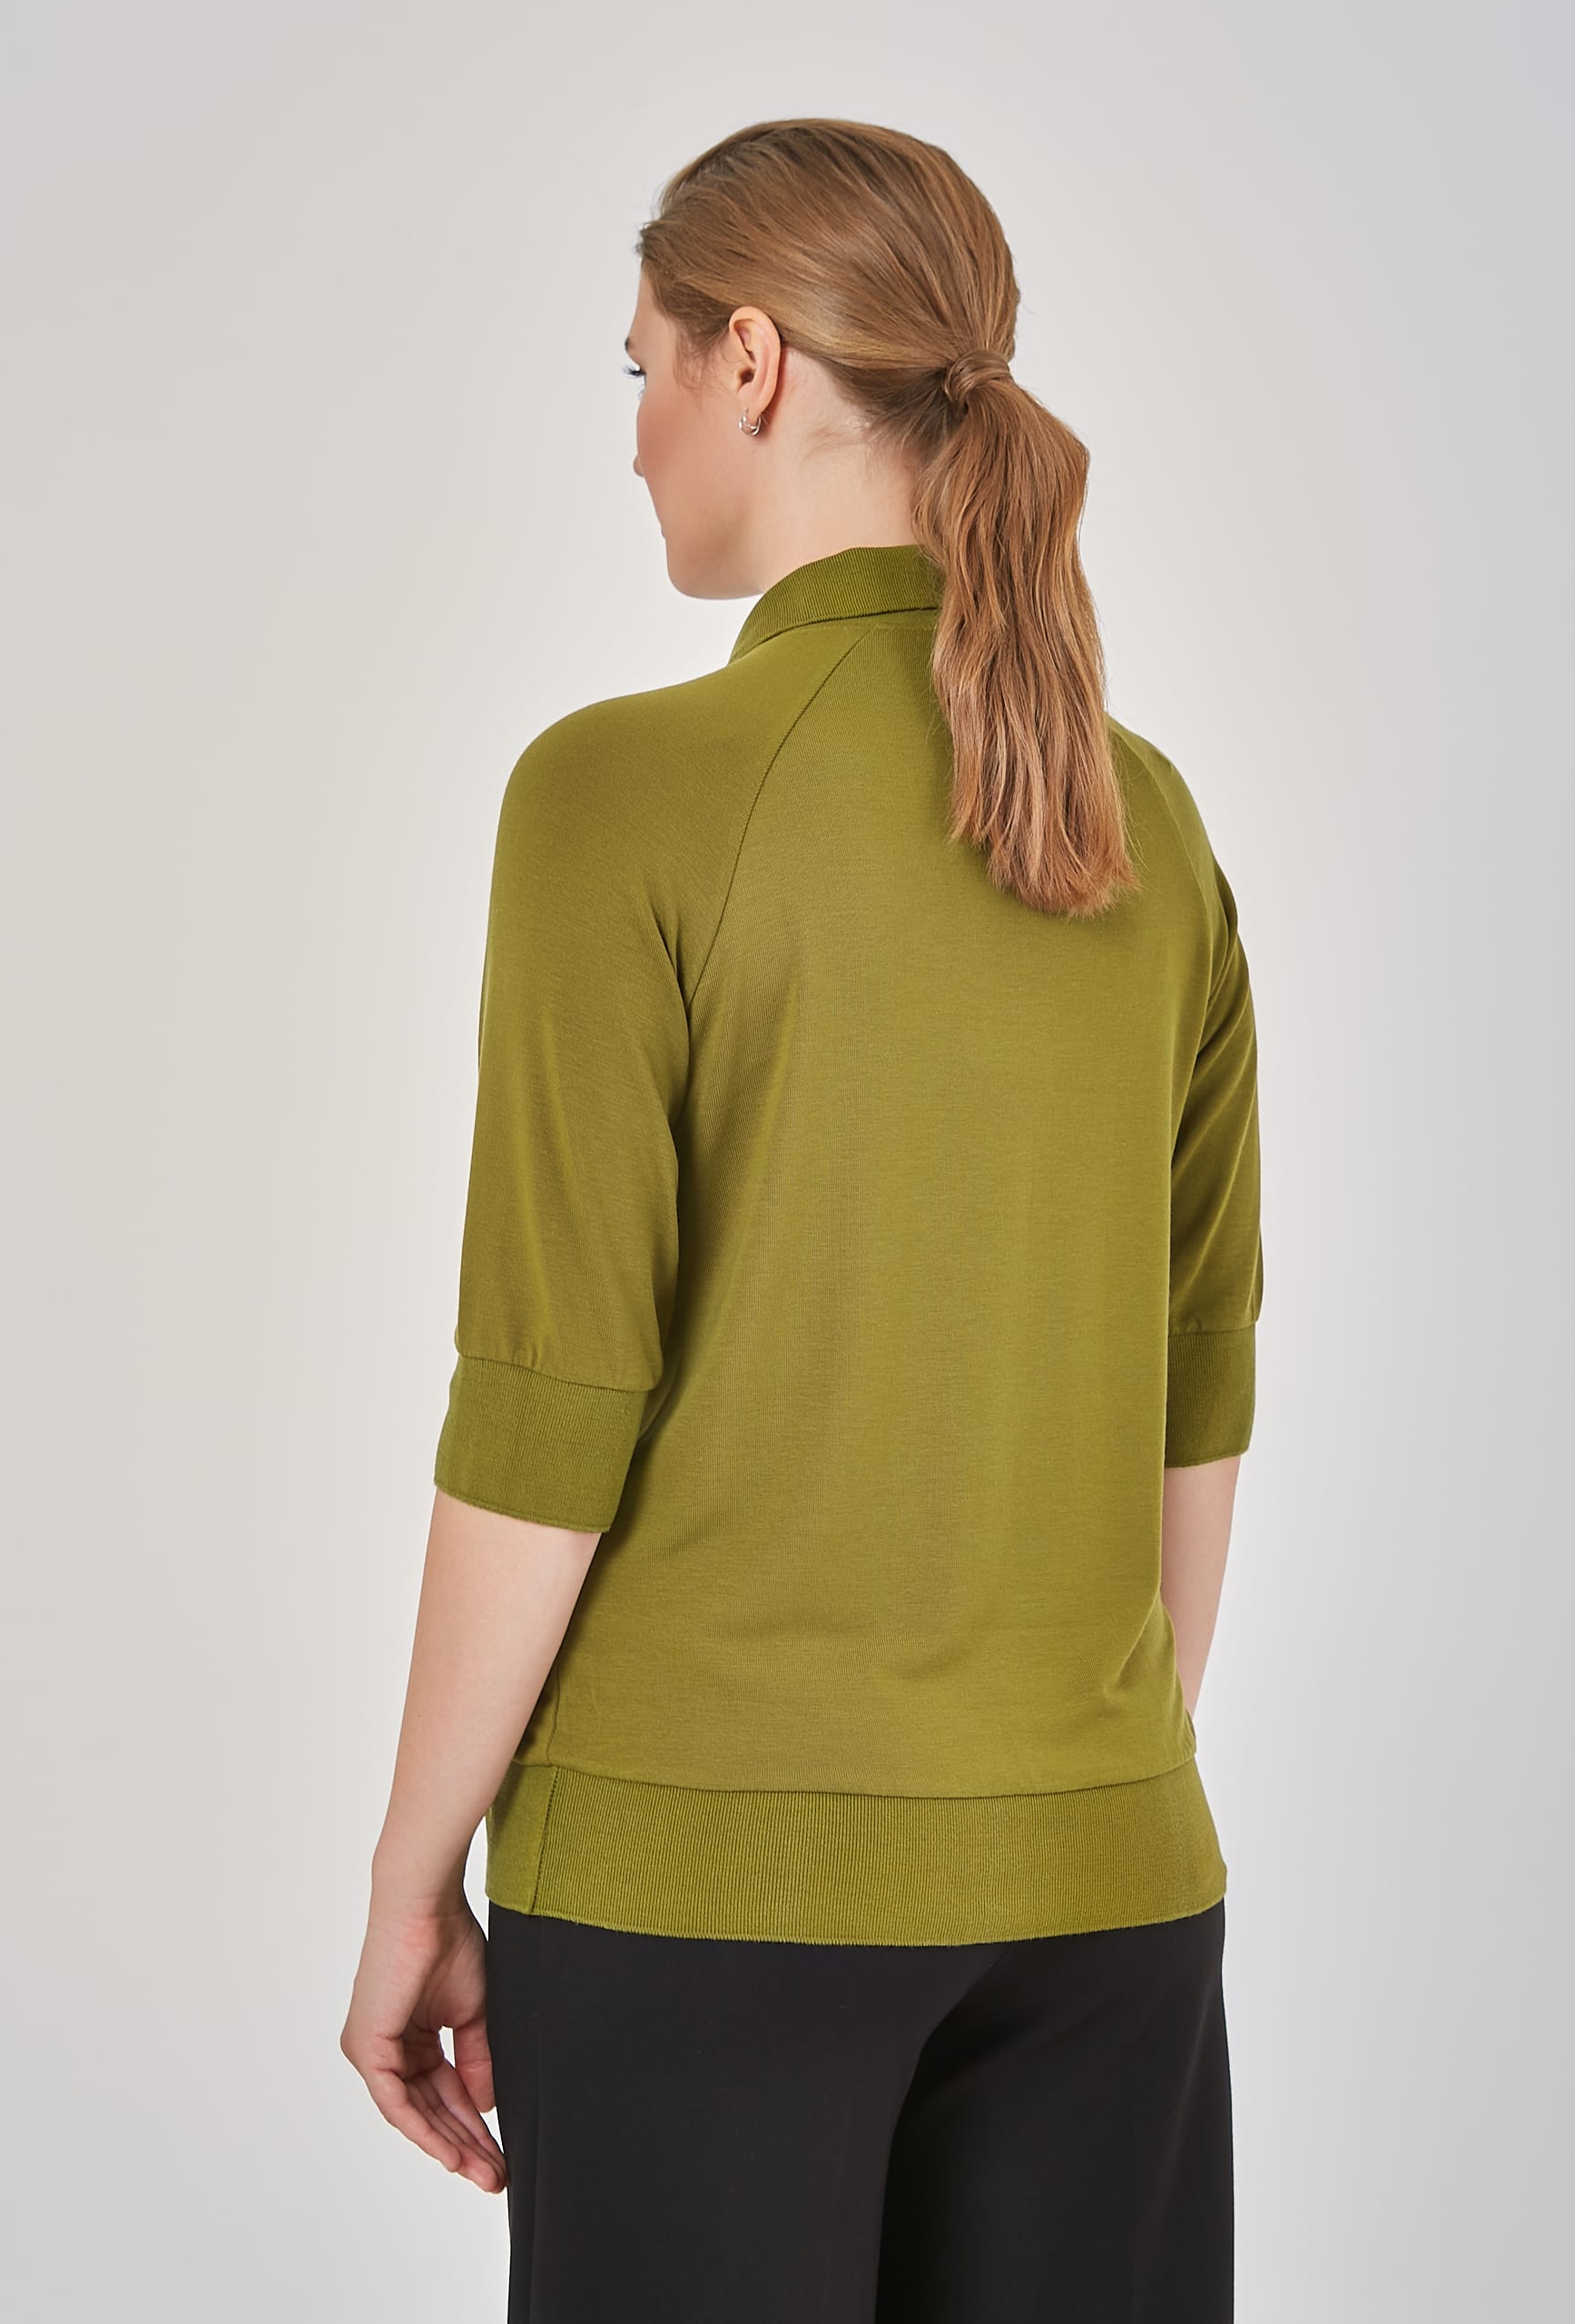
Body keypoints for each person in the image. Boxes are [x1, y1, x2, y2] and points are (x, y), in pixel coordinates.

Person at [341, 115, 1264, 2324]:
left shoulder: (616, 793)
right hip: (1109, 1896)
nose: (634, 436)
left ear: (748, 360)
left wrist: (410, 1873)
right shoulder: (1142, 818)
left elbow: (549, 1407)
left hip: (705, 1910)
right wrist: (1055, 1781)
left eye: (641, 366)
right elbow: (1195, 1388)